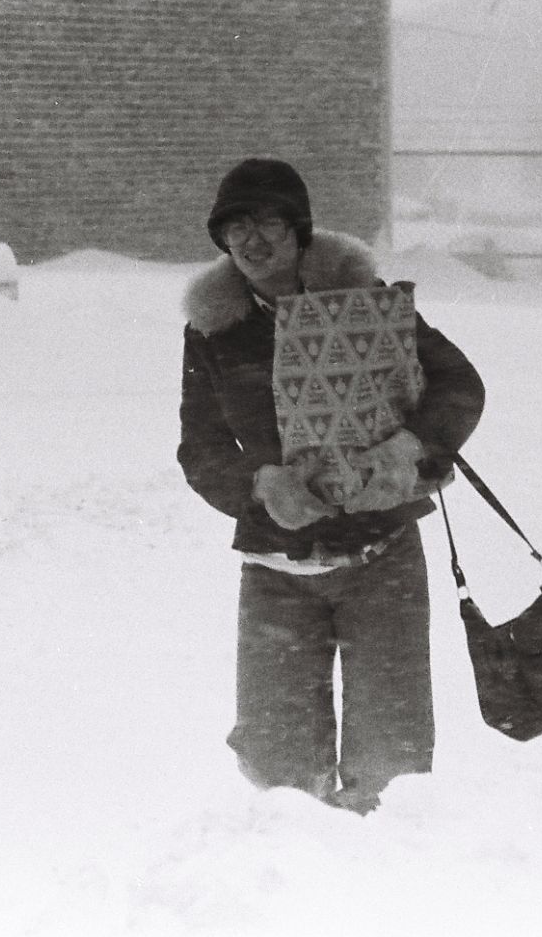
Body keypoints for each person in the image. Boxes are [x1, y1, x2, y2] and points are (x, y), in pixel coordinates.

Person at [178, 157, 485, 813]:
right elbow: (199, 448)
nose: (251, 241)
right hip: (276, 568)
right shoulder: (214, 331)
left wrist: (406, 453)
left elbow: (459, 387)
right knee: (280, 769)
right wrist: (260, 485)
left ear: (298, 228)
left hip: (382, 557)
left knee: (389, 766)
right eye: (235, 229)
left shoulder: (365, 305)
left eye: (266, 222)